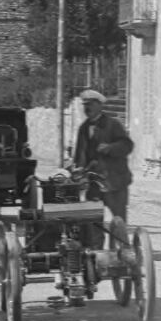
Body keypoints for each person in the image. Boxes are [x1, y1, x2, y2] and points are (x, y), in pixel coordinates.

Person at [68, 89, 134, 223]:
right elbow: (81, 154)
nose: (87, 108)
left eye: (91, 104)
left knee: (119, 222)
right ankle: (95, 244)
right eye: (85, 105)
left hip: (115, 182)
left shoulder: (113, 124)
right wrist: (77, 169)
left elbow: (127, 145)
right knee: (93, 223)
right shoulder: (83, 128)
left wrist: (111, 148)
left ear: (100, 105)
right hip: (93, 185)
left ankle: (120, 243)